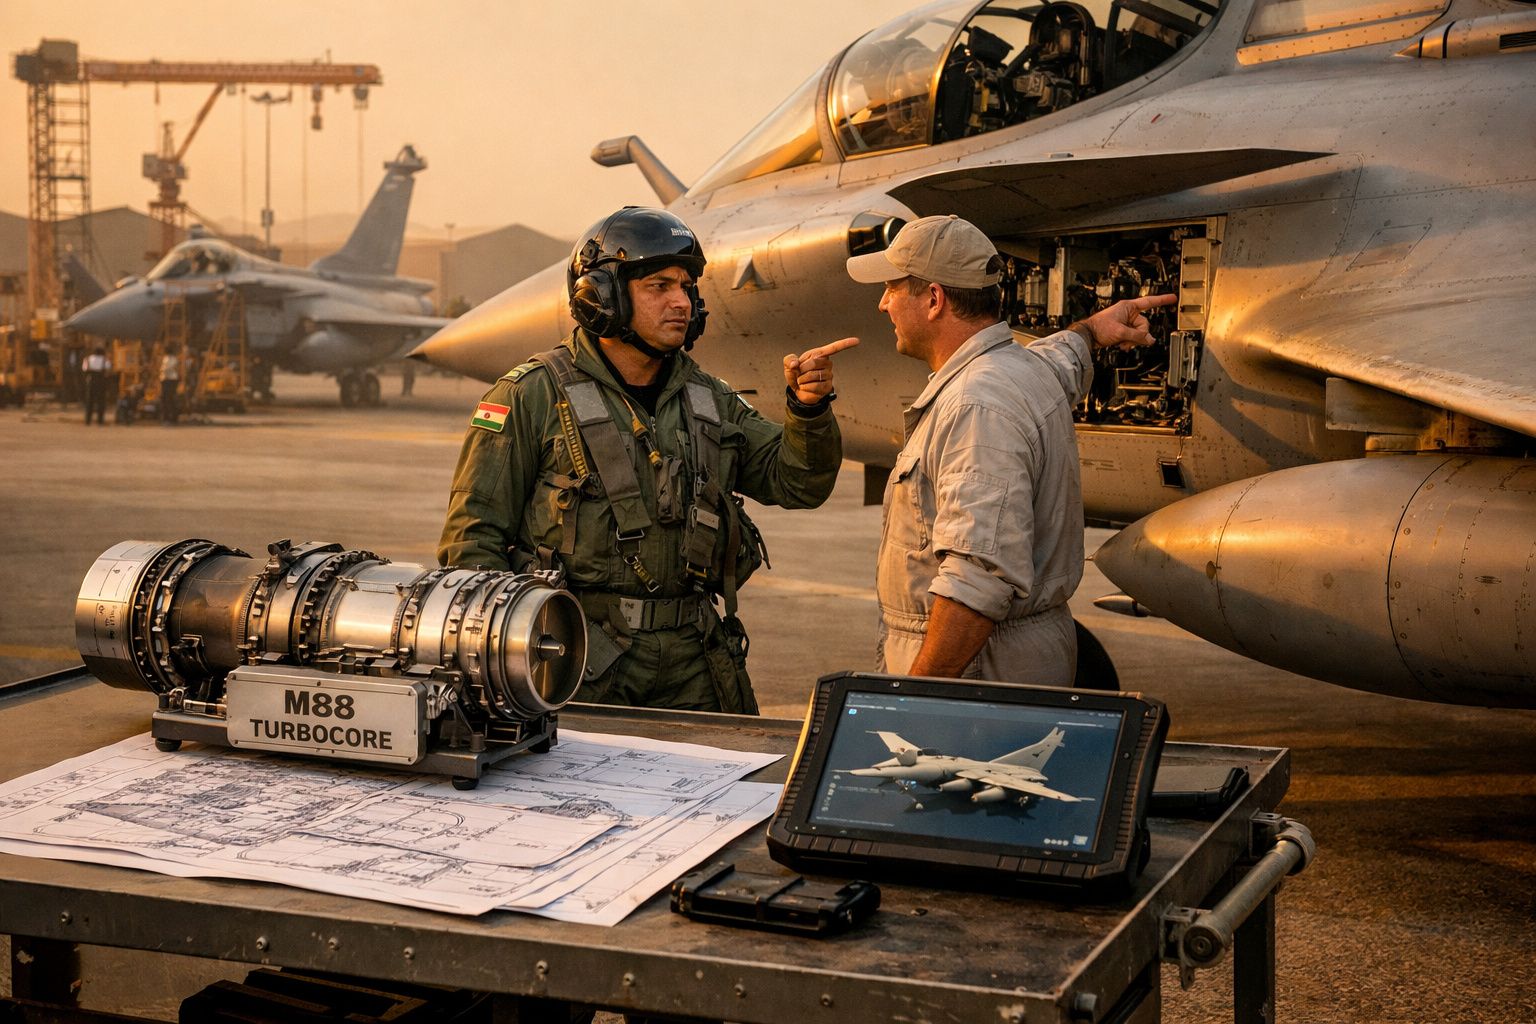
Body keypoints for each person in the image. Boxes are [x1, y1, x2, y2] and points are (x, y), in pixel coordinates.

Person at [439, 206, 854, 714]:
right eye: (659, 286)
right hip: (576, 659)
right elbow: (471, 544)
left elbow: (797, 483)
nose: (681, 302)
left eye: (686, 287)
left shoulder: (707, 398)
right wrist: (506, 666)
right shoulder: (530, 396)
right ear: (603, 297)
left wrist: (807, 411)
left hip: (694, 662)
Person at [846, 214, 1175, 685]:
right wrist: (1092, 331)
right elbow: (1062, 358)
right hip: (1008, 661)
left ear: (935, 299)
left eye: (893, 289)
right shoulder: (1023, 370)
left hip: (979, 679)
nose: (882, 304)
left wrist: (915, 695)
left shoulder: (977, 406)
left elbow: (977, 581)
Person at [82, 346, 110, 426]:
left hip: (90, 381)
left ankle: (88, 420)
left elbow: (84, 369)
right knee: (101, 401)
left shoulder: (87, 359)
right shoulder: (105, 360)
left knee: (89, 401)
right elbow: (108, 369)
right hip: (101, 382)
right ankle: (100, 421)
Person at [159, 346, 182, 425]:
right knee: (171, 399)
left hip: (167, 380)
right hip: (173, 380)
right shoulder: (174, 359)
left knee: (166, 400)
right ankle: (173, 418)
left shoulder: (166, 359)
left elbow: (165, 370)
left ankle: (167, 418)